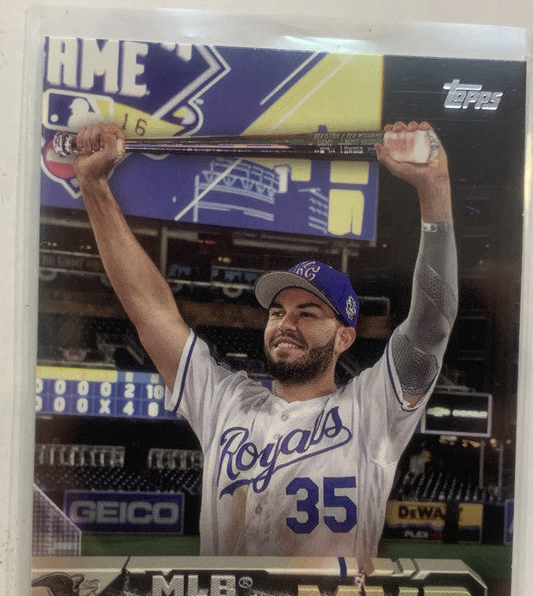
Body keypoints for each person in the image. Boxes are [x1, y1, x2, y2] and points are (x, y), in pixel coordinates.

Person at [72, 121, 456, 564]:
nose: (285, 323)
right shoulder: (226, 402)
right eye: (277, 312)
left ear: (344, 337)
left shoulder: (371, 409)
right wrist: (94, 186)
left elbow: (432, 322)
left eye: (307, 313)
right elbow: (149, 309)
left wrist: (434, 189)